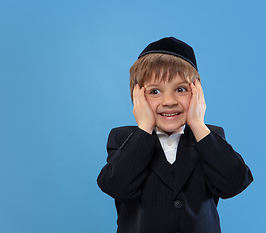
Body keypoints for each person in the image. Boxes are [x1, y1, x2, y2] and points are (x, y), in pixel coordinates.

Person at [97, 37, 253, 233]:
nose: (169, 101)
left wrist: (197, 123)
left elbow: (234, 184)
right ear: (137, 97)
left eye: (180, 89)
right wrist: (145, 127)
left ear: (197, 94)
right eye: (155, 91)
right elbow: (118, 187)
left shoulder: (208, 137)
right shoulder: (123, 138)